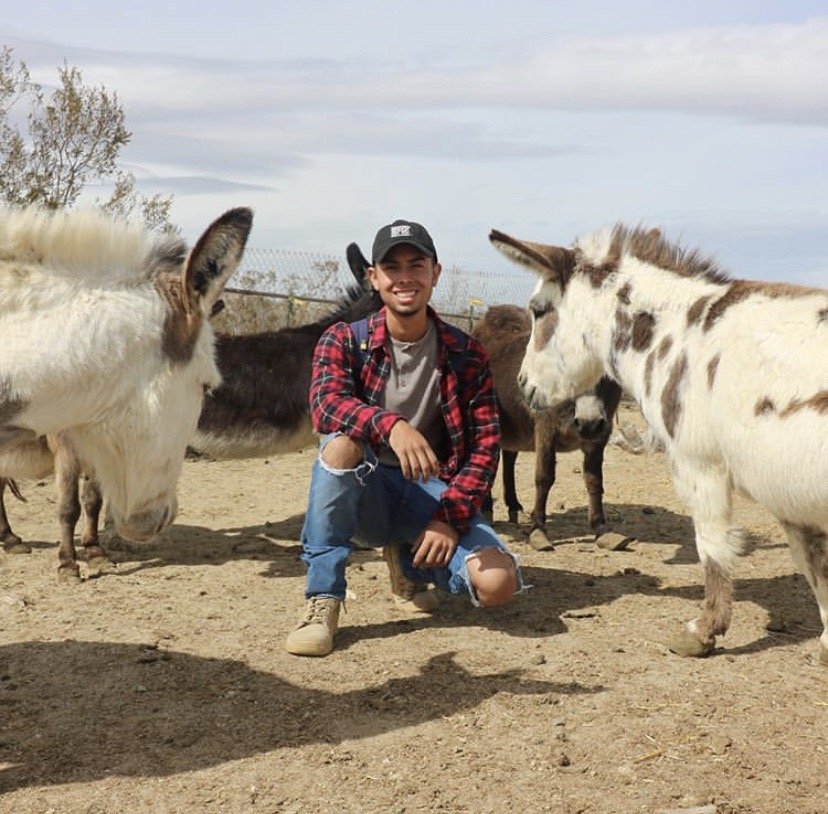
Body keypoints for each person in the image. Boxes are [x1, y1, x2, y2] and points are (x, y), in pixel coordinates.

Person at [285, 219, 523, 657]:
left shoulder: (466, 353)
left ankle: (410, 561)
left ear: (436, 273)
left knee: (497, 585)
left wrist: (449, 517)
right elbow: (326, 406)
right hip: (364, 491)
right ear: (373, 278)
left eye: (417, 264)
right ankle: (323, 597)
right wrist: (391, 426)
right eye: (391, 267)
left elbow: (486, 445)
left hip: (431, 492)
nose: (405, 277)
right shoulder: (343, 341)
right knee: (340, 445)